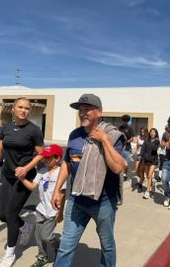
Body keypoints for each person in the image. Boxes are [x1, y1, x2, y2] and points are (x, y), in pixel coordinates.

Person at [51, 94, 126, 267]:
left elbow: (117, 168)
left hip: (103, 202)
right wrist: (57, 190)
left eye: (87, 109)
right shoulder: (74, 135)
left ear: (99, 112)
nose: (82, 113)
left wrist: (105, 141)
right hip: (76, 199)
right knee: (65, 246)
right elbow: (67, 164)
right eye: (80, 110)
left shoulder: (113, 135)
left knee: (107, 246)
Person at [0, 97, 44, 267]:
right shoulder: (6, 128)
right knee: (2, 215)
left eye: (27, 108)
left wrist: (26, 168)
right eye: (20, 107)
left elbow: (41, 155)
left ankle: (10, 253)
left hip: (24, 177)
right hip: (7, 176)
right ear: (13, 109)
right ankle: (26, 227)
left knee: (12, 214)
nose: (24, 110)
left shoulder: (34, 130)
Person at [18, 144, 66, 267]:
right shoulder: (42, 171)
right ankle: (42, 256)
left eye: (49, 158)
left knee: (47, 236)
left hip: (53, 211)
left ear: (57, 158)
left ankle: (57, 244)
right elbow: (33, 186)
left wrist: (60, 213)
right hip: (41, 209)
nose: (45, 160)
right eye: (44, 157)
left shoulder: (61, 173)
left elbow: (63, 195)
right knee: (38, 235)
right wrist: (22, 179)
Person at [139, 128, 160, 199]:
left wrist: (155, 142)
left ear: (156, 133)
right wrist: (140, 155)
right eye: (151, 132)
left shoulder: (157, 141)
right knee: (148, 175)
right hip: (146, 160)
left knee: (150, 174)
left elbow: (155, 150)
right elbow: (143, 150)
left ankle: (147, 191)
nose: (152, 133)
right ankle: (152, 184)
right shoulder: (146, 141)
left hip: (153, 160)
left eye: (154, 132)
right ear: (149, 133)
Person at [131, 127, 148, 192]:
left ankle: (140, 184)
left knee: (142, 170)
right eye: (141, 132)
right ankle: (142, 178)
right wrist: (133, 153)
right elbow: (137, 146)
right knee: (136, 170)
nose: (142, 133)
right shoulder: (138, 137)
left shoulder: (148, 138)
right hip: (139, 155)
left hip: (145, 156)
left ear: (146, 132)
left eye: (143, 132)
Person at [118, 114, 134, 179]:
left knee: (126, 162)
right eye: (123, 121)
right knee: (120, 161)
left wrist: (127, 141)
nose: (124, 122)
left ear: (127, 121)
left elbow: (132, 138)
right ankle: (120, 173)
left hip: (127, 148)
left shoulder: (130, 129)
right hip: (119, 147)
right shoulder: (119, 128)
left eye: (125, 121)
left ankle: (125, 174)